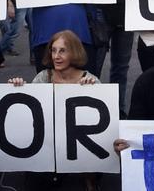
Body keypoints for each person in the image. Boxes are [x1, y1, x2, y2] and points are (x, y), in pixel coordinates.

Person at [8, 30, 99, 191]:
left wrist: (90, 92)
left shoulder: (90, 80)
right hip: (48, 142)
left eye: (62, 51)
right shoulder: (43, 77)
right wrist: (18, 88)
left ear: (75, 52)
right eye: (53, 50)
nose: (56, 56)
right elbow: (28, 114)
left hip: (77, 144)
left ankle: (89, 178)